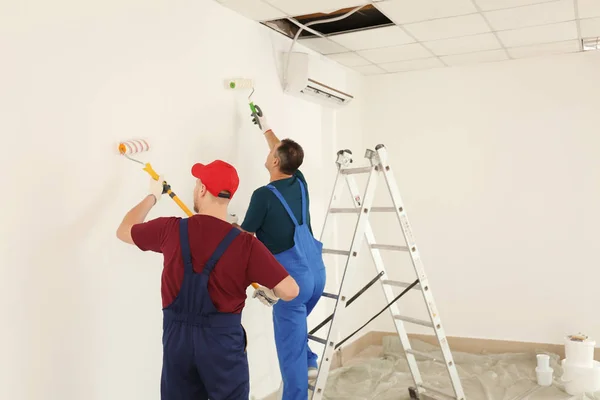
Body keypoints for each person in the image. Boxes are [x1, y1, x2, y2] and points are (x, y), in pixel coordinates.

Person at [116, 159, 299, 400]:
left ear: (202, 190)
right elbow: (290, 290)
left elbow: (124, 230)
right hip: (222, 344)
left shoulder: (170, 230)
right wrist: (271, 292)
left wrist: (152, 196)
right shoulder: (246, 245)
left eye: (197, 184)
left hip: (177, 341)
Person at [235, 109, 327, 400]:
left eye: (273, 151)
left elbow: (246, 238)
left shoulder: (263, 195)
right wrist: (265, 127)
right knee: (297, 341)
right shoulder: (299, 181)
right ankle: (310, 360)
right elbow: (282, 151)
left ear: (275, 161)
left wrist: (226, 224)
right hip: (316, 275)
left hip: (290, 284)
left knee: (290, 358)